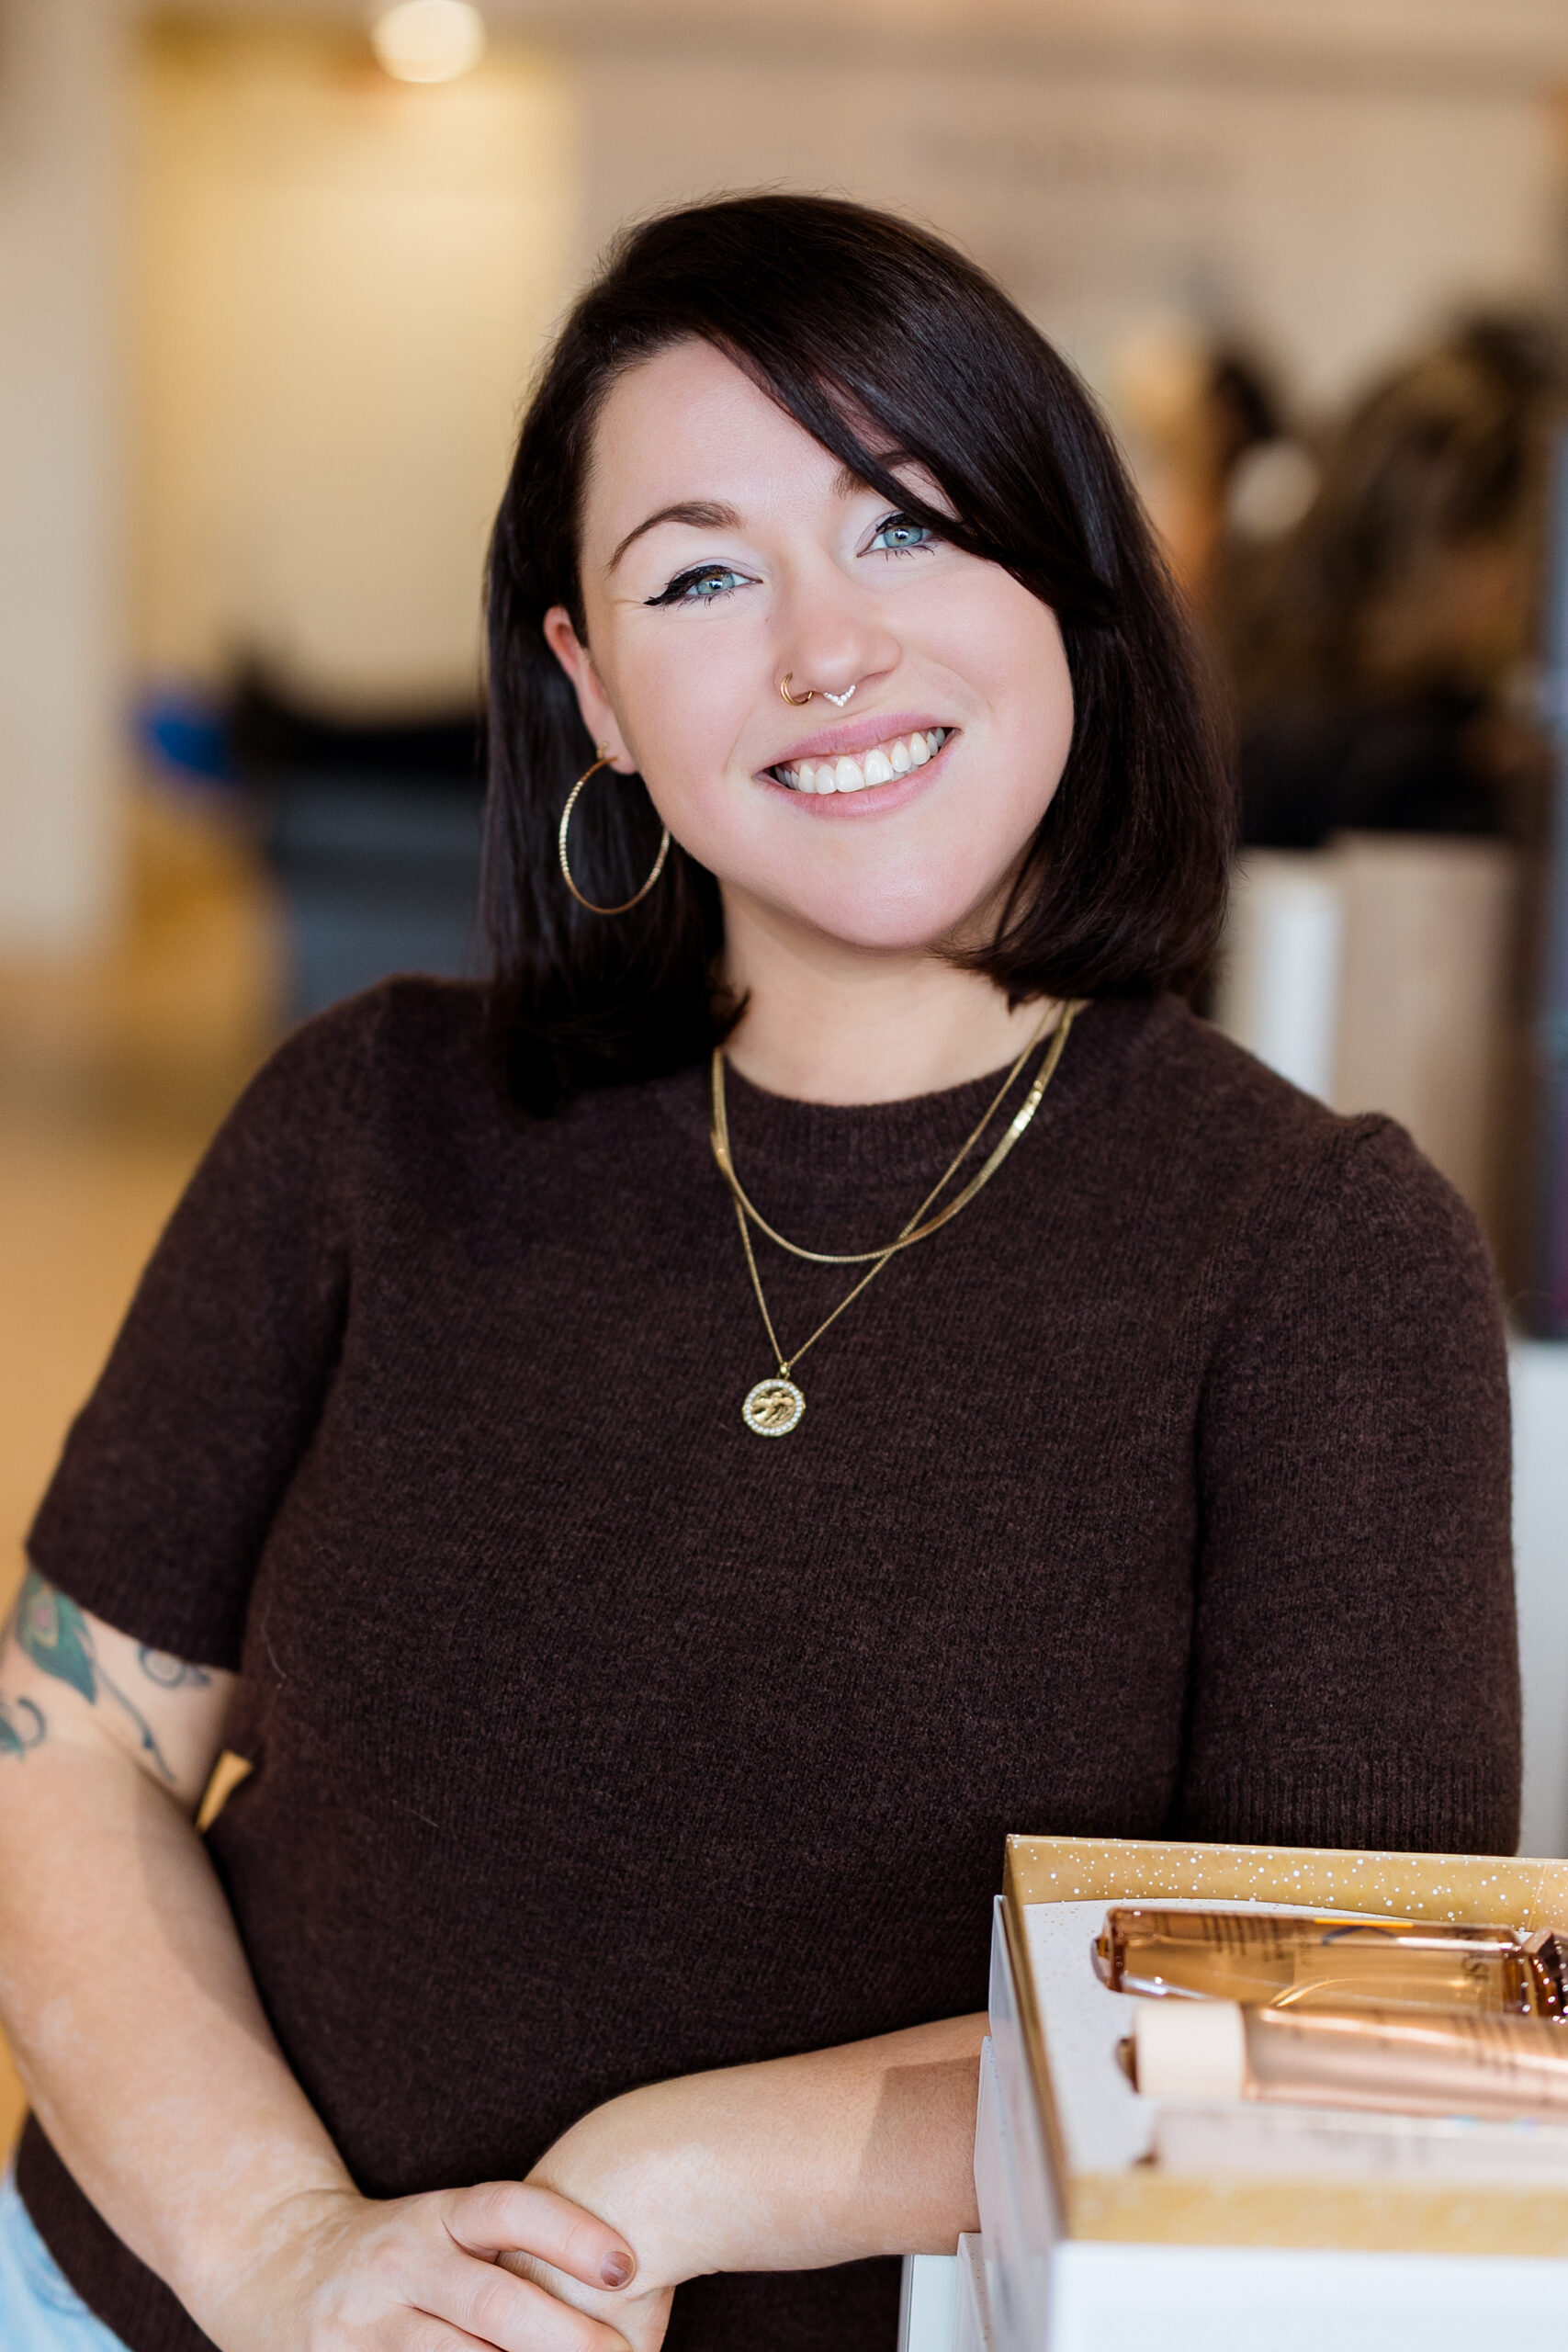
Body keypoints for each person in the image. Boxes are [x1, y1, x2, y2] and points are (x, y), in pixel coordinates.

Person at [0, 194, 1517, 2352]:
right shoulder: (370, 1120)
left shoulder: (1314, 1254)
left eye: (903, 527)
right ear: (590, 688)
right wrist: (276, 2251)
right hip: (130, 2300)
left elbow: (1354, 2048)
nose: (826, 646)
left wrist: (689, 2170)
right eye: (702, 572)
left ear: (1067, 585)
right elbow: (63, 1756)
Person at [1231, 314, 1566, 850]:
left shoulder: (1265, 689)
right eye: (1524, 548)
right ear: (1463, 545)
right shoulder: (1409, 774)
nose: (1528, 586)